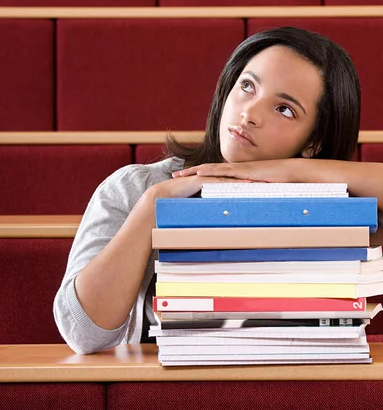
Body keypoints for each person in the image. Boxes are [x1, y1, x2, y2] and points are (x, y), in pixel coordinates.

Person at [53, 27, 383, 354]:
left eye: (284, 109)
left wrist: (297, 170)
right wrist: (155, 205)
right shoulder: (138, 187)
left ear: (313, 142)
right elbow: (83, 334)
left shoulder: (338, 208)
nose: (249, 113)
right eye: (248, 86)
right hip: (161, 391)